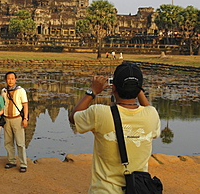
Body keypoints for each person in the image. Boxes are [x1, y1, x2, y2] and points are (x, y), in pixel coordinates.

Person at [69, 62, 160, 193]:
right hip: (137, 189)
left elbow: (73, 117)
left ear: (113, 87)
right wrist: (138, 91)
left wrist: (92, 91)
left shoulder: (99, 113)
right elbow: (148, 108)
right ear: (140, 88)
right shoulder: (152, 115)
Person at [1, 71, 29, 173]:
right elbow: (2, 105)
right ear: (5, 80)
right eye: (8, 78)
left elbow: (25, 105)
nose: (10, 81)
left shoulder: (21, 90)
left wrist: (25, 118)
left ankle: (23, 163)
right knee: (8, 142)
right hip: (7, 119)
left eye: (12, 79)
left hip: (18, 119)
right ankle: (11, 161)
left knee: (20, 143)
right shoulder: (3, 91)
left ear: (15, 80)